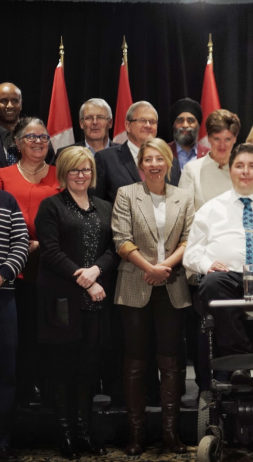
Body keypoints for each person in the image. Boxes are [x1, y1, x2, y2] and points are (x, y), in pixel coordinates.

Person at [111, 138, 194, 455]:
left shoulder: (183, 197)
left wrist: (164, 267)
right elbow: (121, 239)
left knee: (171, 362)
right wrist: (150, 268)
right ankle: (136, 435)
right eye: (148, 159)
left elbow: (189, 239)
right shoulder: (126, 194)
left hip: (171, 285)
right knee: (135, 361)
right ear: (140, 164)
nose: (154, 164)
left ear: (169, 162)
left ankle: (171, 435)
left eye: (160, 158)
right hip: (135, 282)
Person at [35, 147, 117, 459]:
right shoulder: (51, 206)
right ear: (64, 173)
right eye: (74, 170)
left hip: (95, 303)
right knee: (62, 370)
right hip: (62, 300)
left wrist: (97, 270)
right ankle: (65, 435)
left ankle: (84, 433)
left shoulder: (104, 207)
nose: (80, 175)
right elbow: (51, 251)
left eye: (85, 170)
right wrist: (86, 279)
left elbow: (114, 248)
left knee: (87, 370)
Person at [183, 144, 253, 369]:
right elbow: (191, 253)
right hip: (229, 278)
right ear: (230, 171)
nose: (245, 171)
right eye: (239, 166)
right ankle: (243, 359)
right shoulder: (210, 209)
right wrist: (207, 265)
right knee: (211, 283)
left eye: (252, 166)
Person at [0, 117, 60, 408]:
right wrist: (23, 247)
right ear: (17, 142)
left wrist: (42, 245)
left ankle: (50, 393)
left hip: (52, 267)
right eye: (31, 137)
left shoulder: (62, 175)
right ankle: (23, 392)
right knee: (20, 336)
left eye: (44, 137)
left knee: (50, 332)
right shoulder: (3, 175)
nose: (38, 142)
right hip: (15, 271)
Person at [94, 101, 181, 203]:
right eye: (142, 120)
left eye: (152, 122)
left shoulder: (171, 162)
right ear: (128, 125)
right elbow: (97, 203)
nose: (148, 125)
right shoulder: (106, 159)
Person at [0, 191, 29, 462]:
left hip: (4, 296)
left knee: (5, 373)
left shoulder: (6, 200)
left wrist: (4, 274)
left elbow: (21, 242)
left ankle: (3, 441)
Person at [179, 109, 240, 211]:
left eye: (227, 139)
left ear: (235, 139)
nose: (222, 145)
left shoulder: (241, 170)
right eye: (217, 139)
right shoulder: (192, 170)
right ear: (209, 138)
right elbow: (184, 212)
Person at [0, 83, 55, 167]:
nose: (10, 106)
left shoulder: (39, 136)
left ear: (21, 104)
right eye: (3, 101)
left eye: (15, 101)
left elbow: (49, 167)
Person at [168, 98, 205, 170]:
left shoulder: (210, 155)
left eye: (191, 121)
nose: (185, 125)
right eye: (180, 120)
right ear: (174, 125)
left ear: (198, 125)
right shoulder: (162, 152)